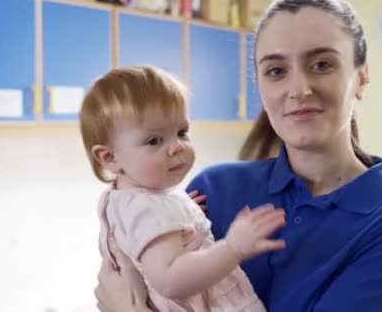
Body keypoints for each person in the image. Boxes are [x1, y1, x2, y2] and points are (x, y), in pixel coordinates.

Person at [95, 0, 382, 312]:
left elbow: (127, 300)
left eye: (322, 64)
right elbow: (131, 281)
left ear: (361, 78)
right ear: (260, 86)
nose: (299, 89)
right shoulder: (213, 190)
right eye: (276, 71)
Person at [80, 66, 287, 311]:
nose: (177, 147)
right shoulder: (152, 209)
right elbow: (170, 281)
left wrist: (182, 221)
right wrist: (232, 248)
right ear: (109, 157)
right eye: (155, 140)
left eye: (182, 133)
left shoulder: (118, 200)